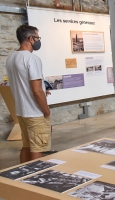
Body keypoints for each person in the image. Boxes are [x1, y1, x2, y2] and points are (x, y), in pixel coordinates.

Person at [6, 25, 51, 163]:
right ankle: (36, 179)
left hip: (21, 111)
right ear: (31, 39)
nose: (38, 40)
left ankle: (24, 175)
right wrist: (46, 111)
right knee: (38, 148)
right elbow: (36, 91)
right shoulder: (32, 59)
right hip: (35, 113)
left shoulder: (12, 58)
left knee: (26, 146)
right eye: (37, 37)